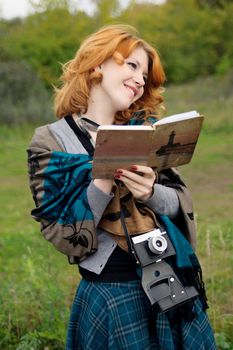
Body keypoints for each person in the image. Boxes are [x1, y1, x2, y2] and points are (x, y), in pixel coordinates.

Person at [27, 24, 217, 350]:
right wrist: (103, 174)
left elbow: (180, 204)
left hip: (171, 283)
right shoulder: (52, 140)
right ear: (98, 63)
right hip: (112, 294)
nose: (141, 79)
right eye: (132, 65)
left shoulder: (145, 130)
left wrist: (150, 192)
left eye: (145, 73)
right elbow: (63, 235)